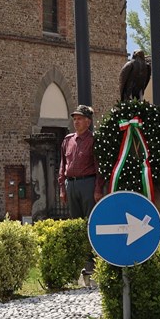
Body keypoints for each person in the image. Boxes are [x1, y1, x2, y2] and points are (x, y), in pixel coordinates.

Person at [58, 105, 104, 276]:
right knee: (76, 225)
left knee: (90, 223)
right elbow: (63, 165)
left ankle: (93, 262)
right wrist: (62, 188)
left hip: (88, 184)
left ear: (88, 121)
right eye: (74, 118)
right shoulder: (67, 140)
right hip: (72, 184)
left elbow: (99, 167)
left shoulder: (94, 140)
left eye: (79, 118)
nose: (76, 121)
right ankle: (79, 263)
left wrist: (98, 189)